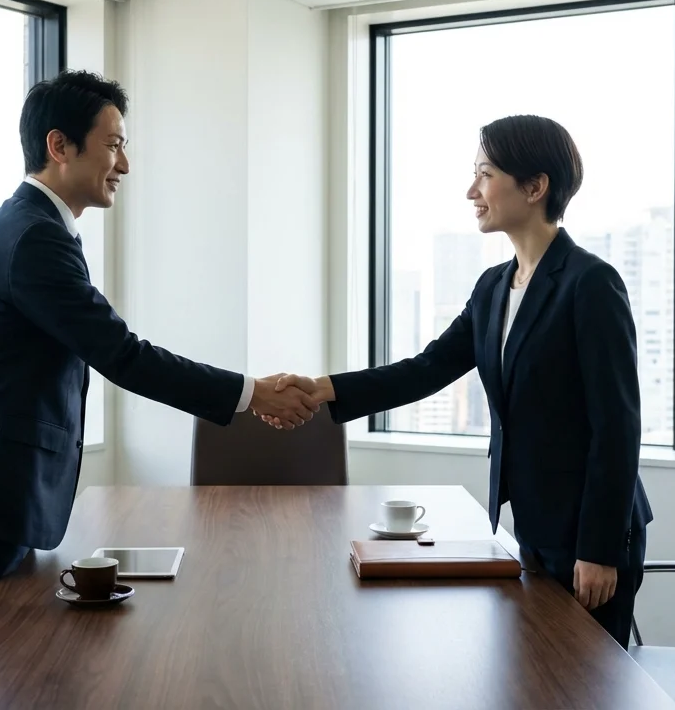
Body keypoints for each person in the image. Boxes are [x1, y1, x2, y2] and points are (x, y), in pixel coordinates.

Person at [0, 70, 318, 650]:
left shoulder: (40, 227)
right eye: (114, 144)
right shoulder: (32, 237)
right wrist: (252, 393)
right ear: (59, 145)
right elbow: (121, 354)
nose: (125, 164)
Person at [269, 115, 652, 648]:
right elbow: (427, 368)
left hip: (589, 534)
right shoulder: (494, 286)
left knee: (584, 684)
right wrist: (325, 387)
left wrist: (600, 549)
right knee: (538, 677)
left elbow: (618, 426)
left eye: (486, 174)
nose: (472, 190)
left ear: (536, 187)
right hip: (534, 526)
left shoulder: (590, 284)